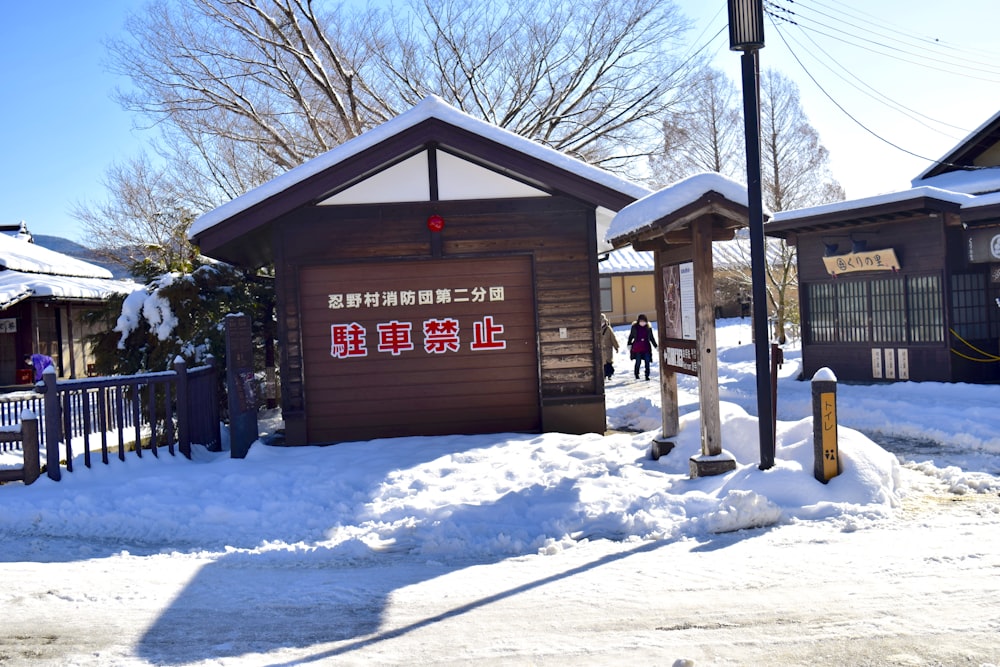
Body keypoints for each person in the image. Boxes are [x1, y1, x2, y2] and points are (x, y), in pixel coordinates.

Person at [627, 314, 657, 380]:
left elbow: (652, 338)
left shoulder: (648, 328)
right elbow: (631, 336)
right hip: (637, 348)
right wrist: (629, 344)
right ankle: (636, 374)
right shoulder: (635, 327)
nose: (642, 323)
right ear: (638, 321)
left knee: (647, 361)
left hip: (646, 348)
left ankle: (647, 375)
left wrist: (656, 346)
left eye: (644, 321)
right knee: (638, 362)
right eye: (641, 321)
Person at [599, 313, 619, 380]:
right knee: (603, 363)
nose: (602, 323)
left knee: (609, 362)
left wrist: (616, 347)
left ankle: (609, 374)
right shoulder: (597, 330)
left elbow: (613, 338)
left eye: (603, 321)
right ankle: (604, 375)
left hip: (608, 348)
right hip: (601, 349)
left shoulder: (608, 329)